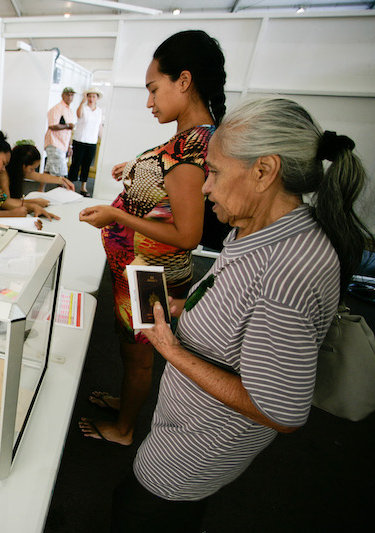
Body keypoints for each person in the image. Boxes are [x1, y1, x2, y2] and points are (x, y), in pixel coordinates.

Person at [111, 96, 373, 532]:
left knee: (139, 513)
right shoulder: (258, 228)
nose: (204, 186)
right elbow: (238, 305)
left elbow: (282, 411)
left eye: (213, 171)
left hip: (191, 455)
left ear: (264, 171)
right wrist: (185, 306)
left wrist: (172, 352)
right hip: (184, 431)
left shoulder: (291, 268)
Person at [78, 30, 226, 445]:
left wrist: (115, 214)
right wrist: (138, 168)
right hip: (142, 275)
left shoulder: (192, 147)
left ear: (184, 80)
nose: (149, 101)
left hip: (150, 279)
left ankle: (124, 430)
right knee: (131, 350)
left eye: (153, 89)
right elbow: (168, 186)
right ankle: (125, 403)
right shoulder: (190, 140)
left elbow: (187, 234)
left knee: (140, 356)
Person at [1, 141, 75, 200]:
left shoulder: (17, 169)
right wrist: (34, 203)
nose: (33, 172)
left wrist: (63, 180)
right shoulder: (4, 175)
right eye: (32, 169)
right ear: (23, 166)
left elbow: (40, 177)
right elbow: (8, 203)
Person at [68, 87, 104, 196]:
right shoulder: (83, 108)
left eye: (93, 96)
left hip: (92, 142)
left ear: (97, 98)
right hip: (80, 140)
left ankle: (83, 187)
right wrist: (81, 103)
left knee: (86, 165)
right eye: (89, 96)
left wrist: (103, 140)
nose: (91, 98)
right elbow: (78, 115)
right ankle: (70, 185)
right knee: (75, 164)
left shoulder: (99, 111)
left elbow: (99, 126)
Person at [43, 87, 77, 183]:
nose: (70, 97)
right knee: (61, 171)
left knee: (49, 169)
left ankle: (41, 190)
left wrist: (70, 146)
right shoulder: (57, 108)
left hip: (62, 145)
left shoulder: (69, 110)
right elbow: (52, 125)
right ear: (62, 95)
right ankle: (59, 192)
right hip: (54, 143)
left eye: (72, 95)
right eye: (68, 94)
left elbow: (69, 131)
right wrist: (67, 125)